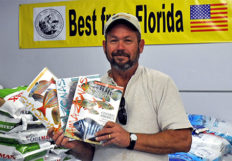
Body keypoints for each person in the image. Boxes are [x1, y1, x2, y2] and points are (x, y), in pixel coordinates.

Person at [48, 12, 192, 161]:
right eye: (113, 40)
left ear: (140, 46)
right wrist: (74, 146)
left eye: (128, 40)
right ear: (104, 46)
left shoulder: (160, 83)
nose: (120, 47)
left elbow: (183, 140)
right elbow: (92, 154)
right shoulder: (91, 90)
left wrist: (130, 139)